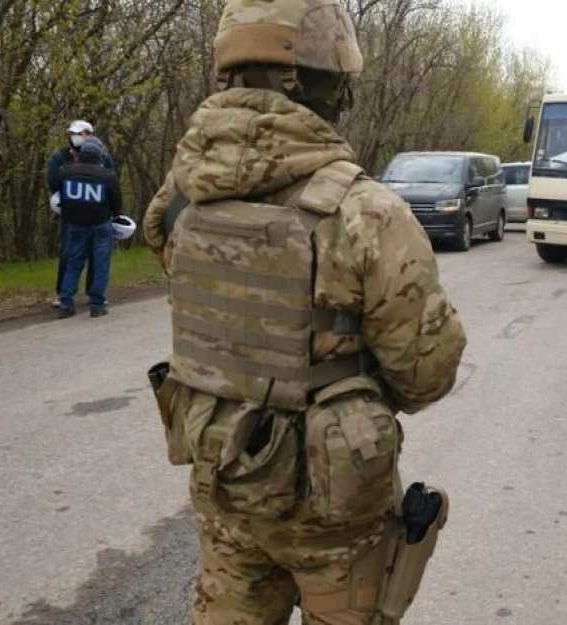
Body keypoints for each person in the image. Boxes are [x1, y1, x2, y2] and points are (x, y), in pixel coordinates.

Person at [141, 0, 467, 623]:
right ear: (320, 84)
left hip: (227, 484)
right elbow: (427, 373)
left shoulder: (181, 195)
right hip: (334, 514)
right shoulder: (365, 212)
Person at [47, 120, 116, 308]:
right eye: (73, 133)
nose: (75, 136)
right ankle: (63, 295)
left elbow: (112, 184)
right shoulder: (60, 157)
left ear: (89, 134)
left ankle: (93, 294)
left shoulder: (105, 158)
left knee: (97, 256)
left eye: (80, 133)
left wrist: (112, 212)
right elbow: (54, 183)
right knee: (69, 254)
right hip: (72, 213)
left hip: (99, 214)